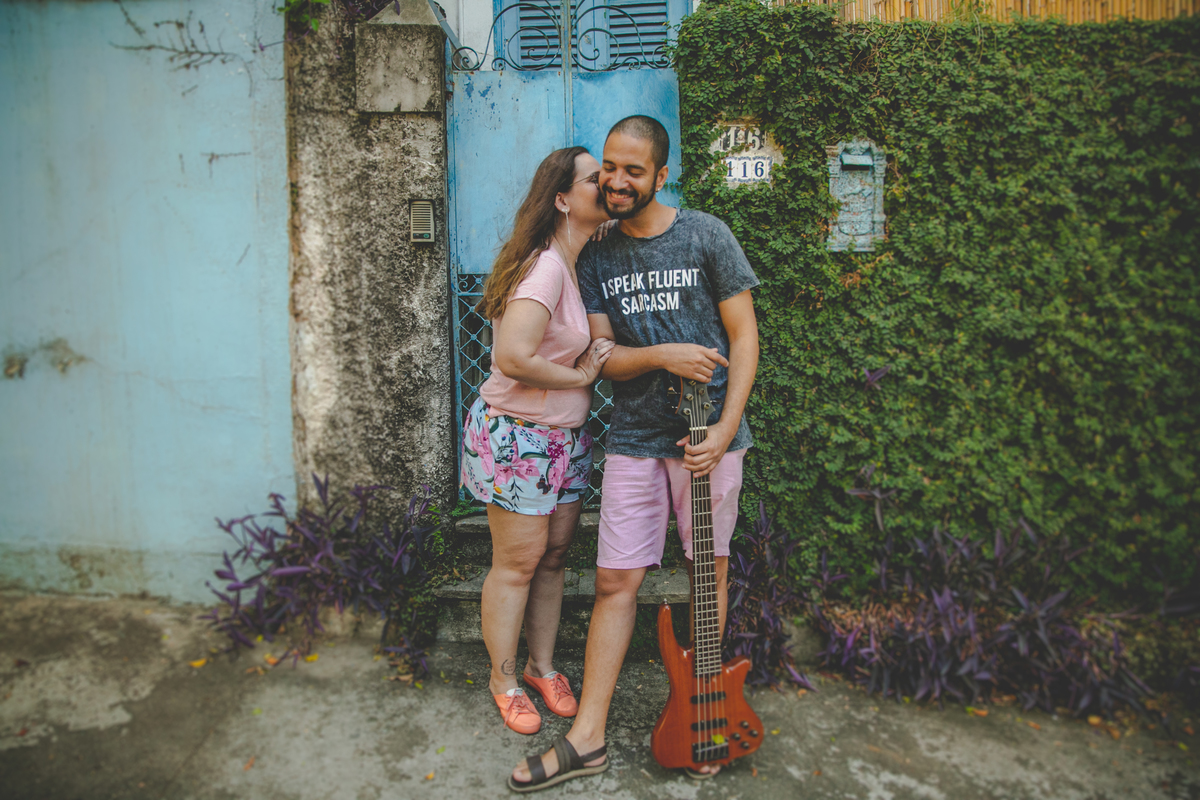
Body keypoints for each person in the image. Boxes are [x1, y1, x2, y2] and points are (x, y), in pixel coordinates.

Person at [508, 116, 760, 792]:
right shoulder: (597, 254)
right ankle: (587, 736)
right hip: (634, 441)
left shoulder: (706, 235)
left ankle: (704, 710)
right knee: (618, 581)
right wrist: (663, 355)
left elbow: (745, 337)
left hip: (710, 442)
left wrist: (725, 426)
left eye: (632, 171)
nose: (617, 182)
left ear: (661, 174)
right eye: (608, 169)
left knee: (708, 573)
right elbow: (603, 357)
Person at [460, 146, 615, 737]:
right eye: (594, 180)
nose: (607, 187)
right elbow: (512, 356)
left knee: (552, 558)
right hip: (521, 436)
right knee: (516, 566)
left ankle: (541, 666)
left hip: (565, 438)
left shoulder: (581, 260)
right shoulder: (547, 267)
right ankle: (504, 681)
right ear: (562, 198)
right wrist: (580, 376)